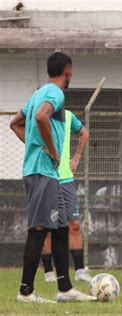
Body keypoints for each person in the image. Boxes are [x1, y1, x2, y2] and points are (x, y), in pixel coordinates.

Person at [10, 52, 96, 303]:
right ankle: (25, 291)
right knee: (39, 229)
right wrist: (52, 151)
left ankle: (65, 289)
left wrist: (35, 145)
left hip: (50, 172)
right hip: (42, 172)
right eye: (71, 72)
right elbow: (40, 117)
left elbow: (15, 123)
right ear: (67, 70)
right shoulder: (55, 93)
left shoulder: (38, 93)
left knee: (60, 229)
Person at [41, 109, 92, 283]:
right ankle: (48, 272)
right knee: (47, 227)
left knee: (75, 224)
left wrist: (77, 156)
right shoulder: (39, 115)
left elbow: (84, 133)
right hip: (45, 177)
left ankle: (79, 271)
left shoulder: (68, 116)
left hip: (66, 180)